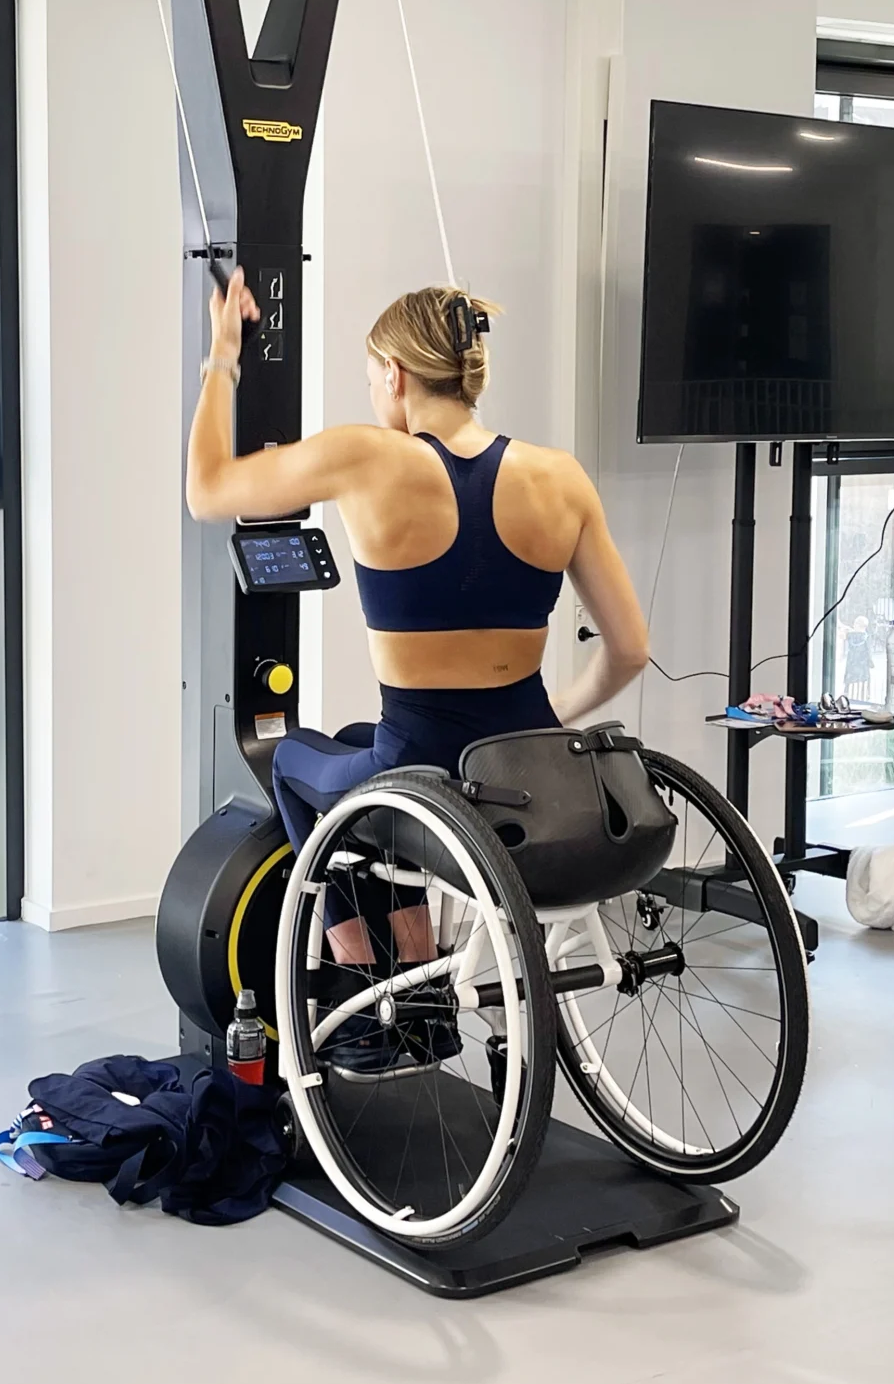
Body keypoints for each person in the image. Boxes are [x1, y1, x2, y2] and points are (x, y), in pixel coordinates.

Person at [188, 270, 649, 1068]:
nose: (374, 398)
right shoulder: (559, 476)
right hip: (526, 778)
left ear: (397, 377)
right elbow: (630, 649)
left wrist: (222, 359)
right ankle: (423, 993)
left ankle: (365, 983)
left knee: (297, 757)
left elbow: (209, 491)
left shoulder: (370, 457)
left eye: (374, 380)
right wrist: (556, 720)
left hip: (420, 773)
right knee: (360, 742)